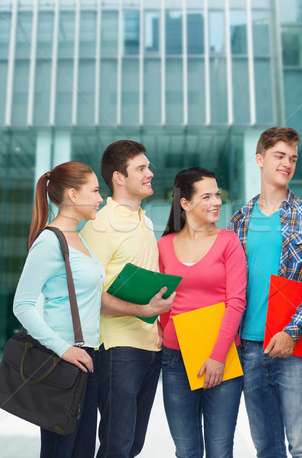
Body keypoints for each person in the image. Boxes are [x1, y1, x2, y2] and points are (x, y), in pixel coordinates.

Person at [228, 127, 302, 458]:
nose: (287, 163)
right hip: (250, 348)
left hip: (295, 347)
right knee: (266, 448)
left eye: (293, 158)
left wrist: (291, 331)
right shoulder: (238, 220)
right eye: (279, 156)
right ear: (260, 159)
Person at [80, 140, 175, 458]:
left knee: (132, 444)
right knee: (116, 444)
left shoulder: (145, 222)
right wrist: (143, 309)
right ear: (119, 177)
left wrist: (156, 320)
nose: (150, 173)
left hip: (150, 347)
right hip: (117, 349)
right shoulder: (99, 226)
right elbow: (88, 294)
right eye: (141, 168)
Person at [13, 161, 105, 458]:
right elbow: (22, 305)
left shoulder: (79, 238)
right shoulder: (49, 241)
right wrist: (64, 349)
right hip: (62, 361)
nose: (100, 198)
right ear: (73, 195)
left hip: (86, 359)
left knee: (81, 452)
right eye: (94, 191)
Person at [158, 167, 247, 458]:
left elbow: (236, 302)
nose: (216, 202)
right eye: (206, 196)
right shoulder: (164, 246)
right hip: (175, 357)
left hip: (222, 355)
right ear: (185, 203)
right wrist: (159, 330)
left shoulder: (229, 242)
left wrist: (217, 356)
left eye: (217, 195)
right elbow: (160, 302)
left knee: (220, 450)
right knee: (186, 450)